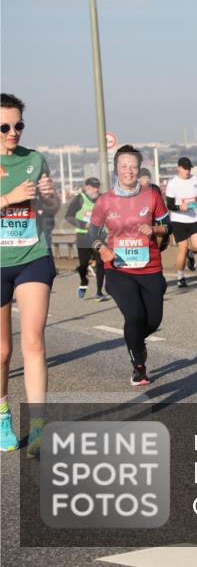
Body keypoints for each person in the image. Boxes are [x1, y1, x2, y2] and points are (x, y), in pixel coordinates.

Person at [0, 93, 59, 456]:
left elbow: (51, 207)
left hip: (32, 255)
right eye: (4, 126)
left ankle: (39, 426)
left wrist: (50, 197)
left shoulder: (35, 159)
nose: (13, 132)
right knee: (2, 350)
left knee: (34, 340)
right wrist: (9, 198)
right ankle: (2, 415)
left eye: (18, 125)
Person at [88, 145, 169, 386]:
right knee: (134, 315)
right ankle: (139, 367)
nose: (129, 171)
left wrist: (154, 229)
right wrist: (101, 248)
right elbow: (91, 233)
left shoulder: (152, 195)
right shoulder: (105, 200)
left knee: (152, 321)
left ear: (139, 168)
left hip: (150, 267)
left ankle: (135, 342)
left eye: (133, 166)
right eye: (124, 166)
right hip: (118, 268)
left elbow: (168, 225)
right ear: (116, 169)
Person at [64, 177, 109, 301]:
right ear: (86, 188)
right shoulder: (79, 199)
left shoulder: (103, 199)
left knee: (100, 263)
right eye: (93, 187)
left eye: (98, 187)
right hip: (83, 236)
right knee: (83, 265)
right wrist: (84, 224)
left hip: (99, 236)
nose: (96, 189)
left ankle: (99, 292)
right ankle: (84, 282)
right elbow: (68, 216)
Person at [165, 157, 197, 288]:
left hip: (195, 218)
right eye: (185, 168)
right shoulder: (172, 184)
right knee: (183, 248)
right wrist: (179, 207)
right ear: (178, 168)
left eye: (189, 168)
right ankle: (180, 277)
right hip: (179, 220)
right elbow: (169, 205)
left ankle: (191, 254)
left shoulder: (196, 180)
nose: (187, 171)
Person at [139, 168, 171, 253]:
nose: (146, 180)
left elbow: (160, 204)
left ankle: (157, 250)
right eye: (143, 178)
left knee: (162, 230)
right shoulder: (135, 190)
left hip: (155, 218)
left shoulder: (155, 188)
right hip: (141, 219)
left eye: (147, 177)